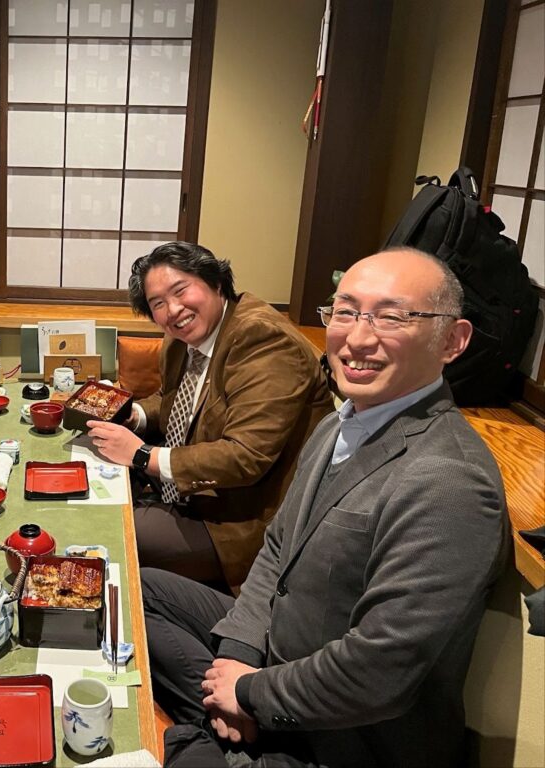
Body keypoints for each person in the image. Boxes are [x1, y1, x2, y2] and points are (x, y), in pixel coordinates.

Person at [143, 247, 510, 768]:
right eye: (345, 312)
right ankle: (221, 721)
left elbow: (378, 672)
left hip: (344, 740)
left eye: (392, 316)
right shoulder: (340, 421)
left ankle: (226, 736)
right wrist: (238, 659)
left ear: (452, 340)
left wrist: (251, 694)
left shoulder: (450, 482)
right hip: (276, 651)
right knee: (139, 592)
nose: (358, 338)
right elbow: (276, 550)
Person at [88, 242, 333, 591]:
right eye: (158, 303)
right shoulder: (183, 338)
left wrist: (143, 455)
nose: (174, 310)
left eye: (180, 290)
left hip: (236, 523)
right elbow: (175, 402)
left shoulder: (262, 338)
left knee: (107, 527)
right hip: (187, 493)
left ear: (216, 282)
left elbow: (245, 456)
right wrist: (136, 416)